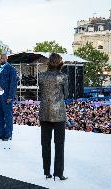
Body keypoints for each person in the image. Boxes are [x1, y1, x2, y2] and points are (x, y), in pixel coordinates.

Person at [39, 53, 68, 181]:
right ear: (60, 63)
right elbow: (66, 94)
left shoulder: (42, 76)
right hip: (59, 114)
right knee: (59, 144)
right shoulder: (63, 77)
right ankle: (58, 173)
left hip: (45, 112)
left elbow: (41, 93)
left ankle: (47, 172)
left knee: (45, 144)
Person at [0, 53, 17, 141]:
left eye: (2, 58)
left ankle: (8, 135)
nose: (0, 59)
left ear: (6, 58)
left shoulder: (11, 69)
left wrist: (10, 96)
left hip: (6, 97)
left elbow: (13, 84)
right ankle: (0, 134)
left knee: (7, 116)